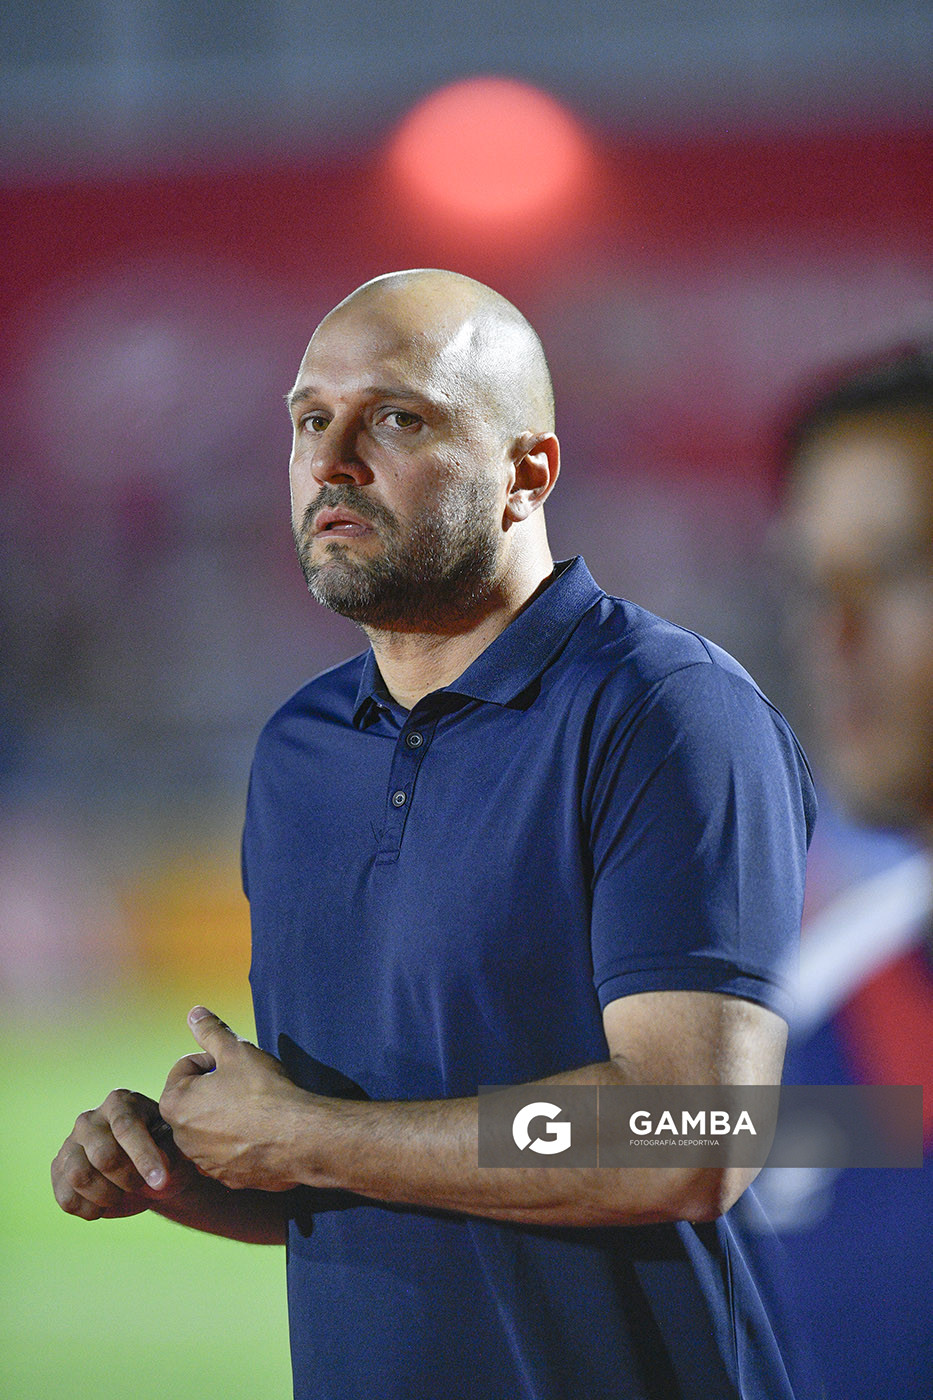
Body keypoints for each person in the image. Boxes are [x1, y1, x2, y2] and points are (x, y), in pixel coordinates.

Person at [52, 269, 816, 1400]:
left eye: (397, 418)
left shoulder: (665, 713)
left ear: (528, 473)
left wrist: (308, 1139)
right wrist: (201, 1166)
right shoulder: (299, 751)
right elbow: (377, 1158)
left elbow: (692, 1131)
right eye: (311, 420)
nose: (333, 459)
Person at [749, 344, 933, 1399]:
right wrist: (338, 1152)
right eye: (817, 585)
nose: (836, 635)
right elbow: (636, 1134)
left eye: (899, 569)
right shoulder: (838, 1015)